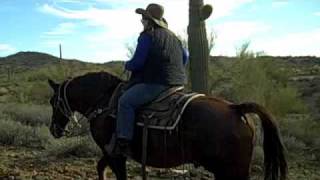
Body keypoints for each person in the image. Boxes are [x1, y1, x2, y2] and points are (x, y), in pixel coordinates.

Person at [107, 3, 188, 157]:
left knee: (125, 101)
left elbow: (137, 62)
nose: (141, 21)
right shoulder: (175, 38)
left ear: (147, 20)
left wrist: (128, 65)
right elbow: (185, 57)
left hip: (155, 83)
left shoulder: (147, 36)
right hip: (176, 85)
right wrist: (172, 71)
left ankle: (123, 143)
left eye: (143, 18)